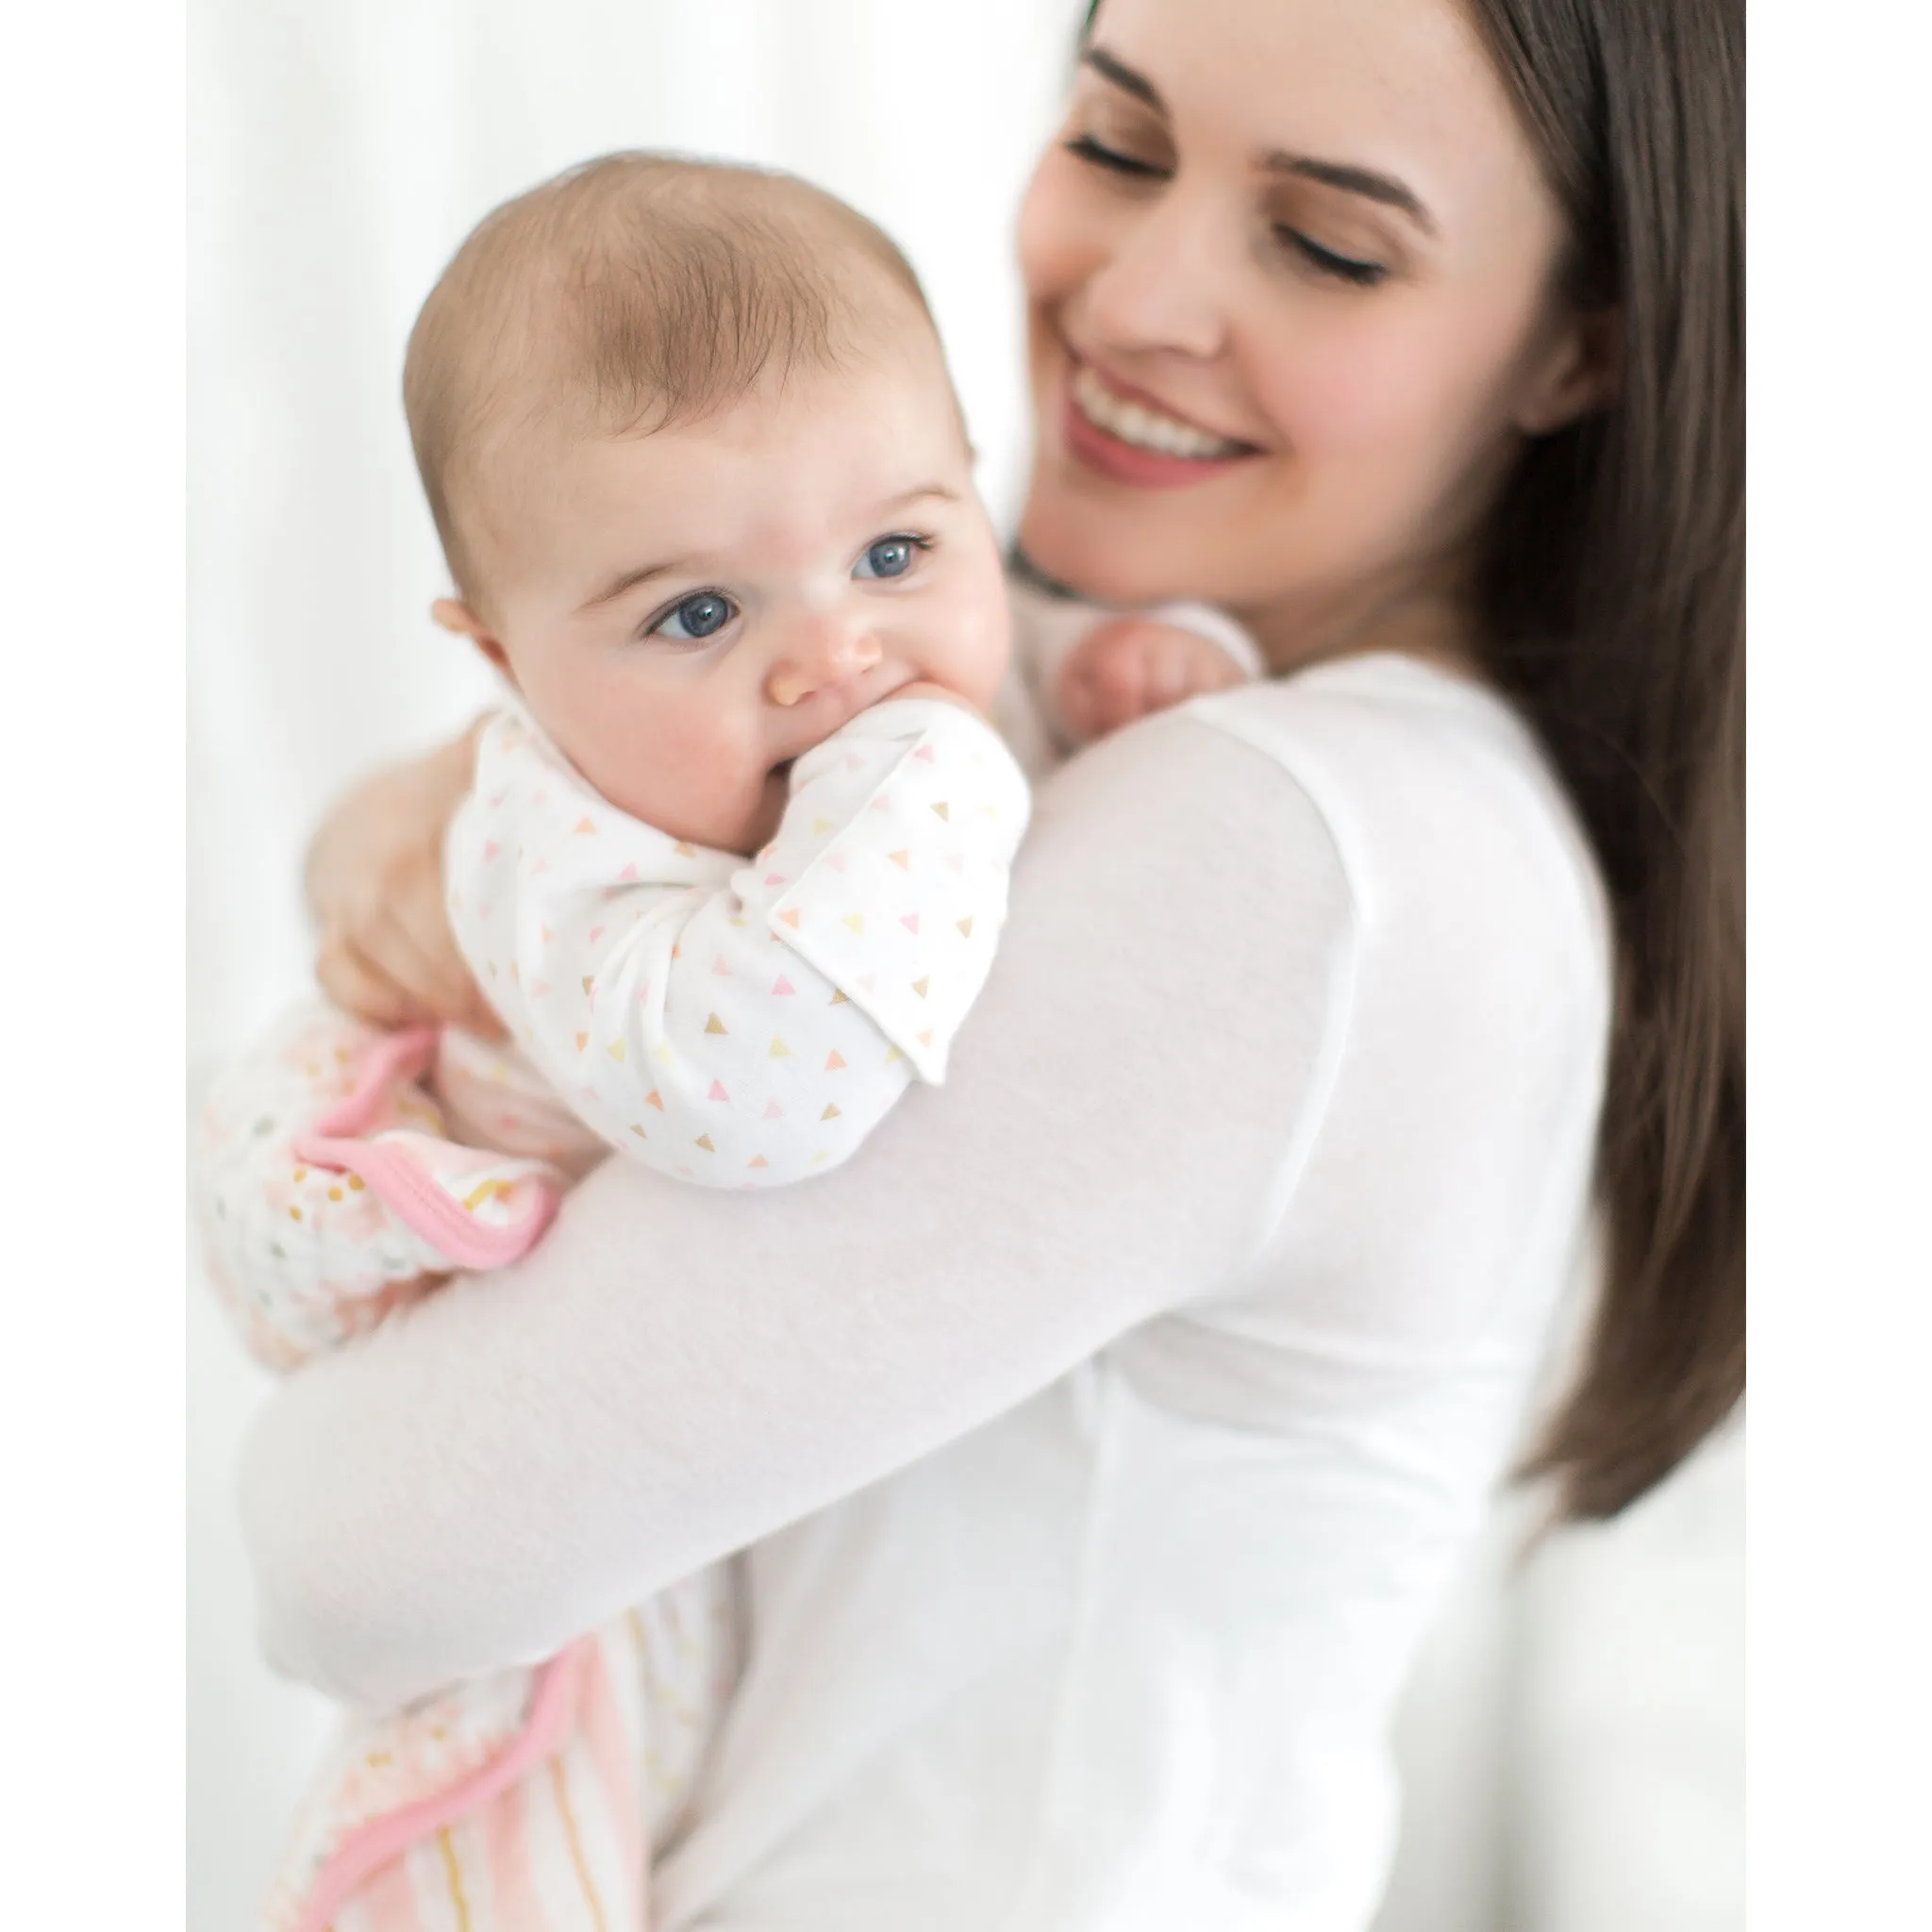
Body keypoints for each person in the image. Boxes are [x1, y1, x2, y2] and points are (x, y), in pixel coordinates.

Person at [238, 0, 1743, 1924]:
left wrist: (480, 866)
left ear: (1577, 345)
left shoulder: (1281, 849)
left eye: (1326, 243)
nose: (1139, 296)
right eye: (1118, 143)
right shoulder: (1208, 756)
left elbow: (352, 1553)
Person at [198, 152, 1262, 1928]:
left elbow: (1005, 678)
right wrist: (945, 765)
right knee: (521, 1828)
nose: (836, 657)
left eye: (900, 549)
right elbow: (756, 1095)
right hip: (522, 1492)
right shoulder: (553, 848)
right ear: (509, 669)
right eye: (698, 613)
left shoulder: (889, 676)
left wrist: (1125, 677)